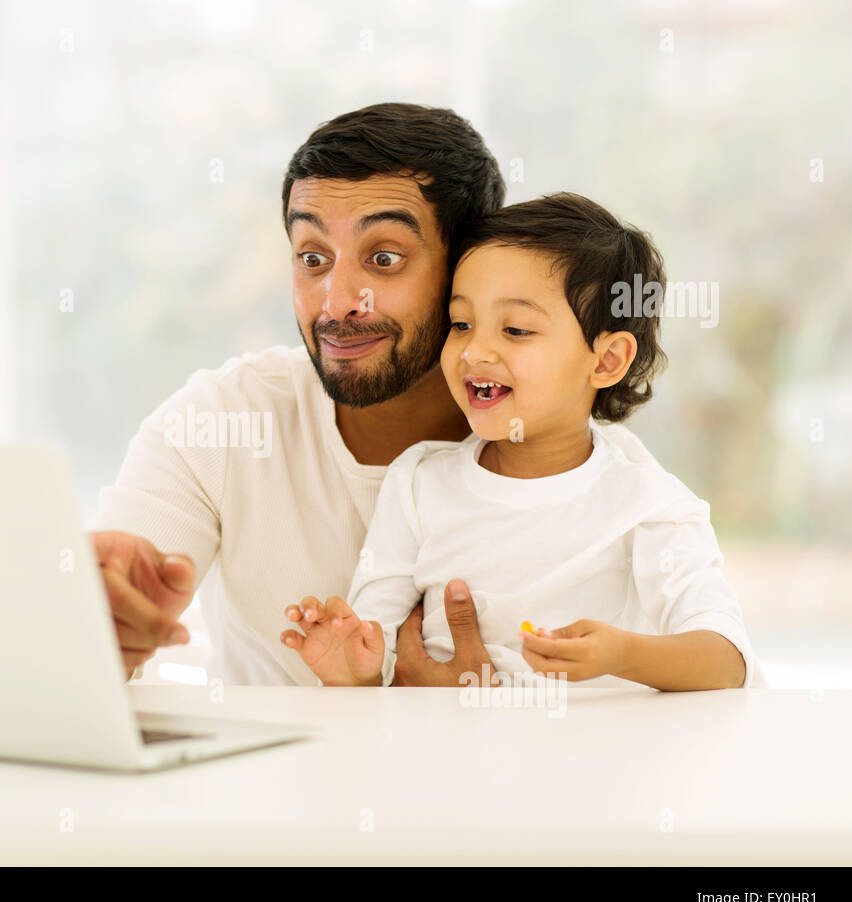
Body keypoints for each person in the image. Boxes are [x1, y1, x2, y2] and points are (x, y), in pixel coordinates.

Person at [91, 103, 660, 686]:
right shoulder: (223, 422)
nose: (337, 302)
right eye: (312, 258)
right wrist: (106, 640)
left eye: (384, 259)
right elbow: (90, 636)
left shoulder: (584, 470)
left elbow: (715, 692)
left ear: (466, 269)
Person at [281, 193, 758, 690]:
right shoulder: (419, 482)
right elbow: (373, 641)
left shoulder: (647, 504)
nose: (475, 350)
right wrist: (353, 670)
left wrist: (622, 653)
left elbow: (725, 659)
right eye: (461, 324)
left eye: (515, 329)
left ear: (607, 360)